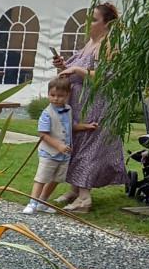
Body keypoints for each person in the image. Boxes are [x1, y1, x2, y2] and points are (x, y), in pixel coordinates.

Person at [50, 2, 128, 213]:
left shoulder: (108, 45)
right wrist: (64, 67)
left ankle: (84, 198)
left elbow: (107, 77)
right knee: (76, 144)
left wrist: (76, 69)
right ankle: (75, 189)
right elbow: (75, 72)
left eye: (93, 20)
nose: (88, 23)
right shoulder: (89, 43)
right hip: (79, 102)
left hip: (97, 103)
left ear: (106, 23)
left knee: (89, 147)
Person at [24, 76, 98, 214]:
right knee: (41, 178)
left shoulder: (68, 109)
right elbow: (43, 134)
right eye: (52, 95)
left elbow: (70, 126)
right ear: (48, 94)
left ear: (67, 95)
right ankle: (32, 203)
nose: (56, 98)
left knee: (56, 179)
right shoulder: (47, 113)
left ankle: (42, 202)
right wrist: (58, 145)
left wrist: (85, 126)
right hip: (49, 153)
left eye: (60, 96)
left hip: (64, 155)